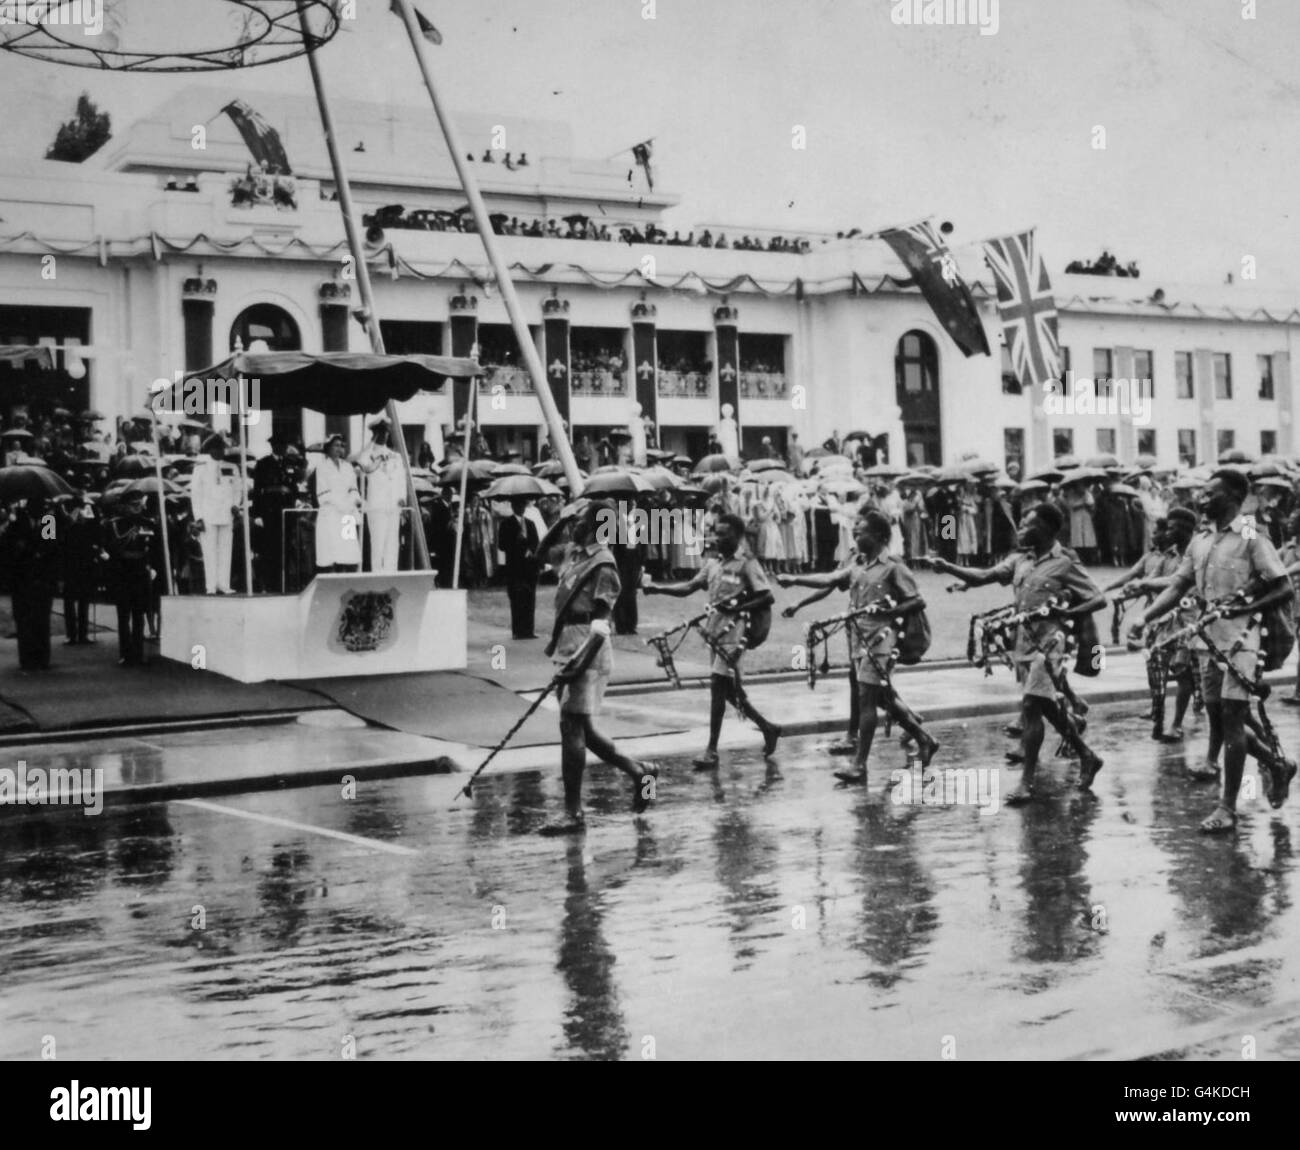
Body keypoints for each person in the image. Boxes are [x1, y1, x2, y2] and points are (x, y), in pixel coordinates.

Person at [1139, 470, 1297, 832]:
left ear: (1233, 497)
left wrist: (1243, 610)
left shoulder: (1250, 534)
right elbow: (1179, 584)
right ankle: (1277, 763)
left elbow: (1282, 587)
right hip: (1206, 642)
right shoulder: (1202, 538)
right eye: (1202, 494)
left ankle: (1227, 807)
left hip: (1242, 642)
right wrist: (1145, 618)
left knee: (1233, 717)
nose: (1202, 499)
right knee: (1222, 720)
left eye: (1210, 494)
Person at [923, 503, 1107, 804]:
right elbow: (984, 575)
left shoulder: (1065, 562)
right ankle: (1087, 755)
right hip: (1023, 643)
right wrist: (948, 567)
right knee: (1046, 707)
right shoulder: (1020, 560)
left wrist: (1068, 610)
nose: (1020, 529)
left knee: (1032, 705)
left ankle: (1026, 781)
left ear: (1046, 528)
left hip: (1051, 645)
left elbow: (1098, 599)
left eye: (1026, 524)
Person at [781, 510, 936, 786]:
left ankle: (860, 765)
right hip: (858, 641)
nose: (855, 534)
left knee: (867, 700)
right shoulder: (857, 565)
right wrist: (795, 580)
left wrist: (889, 610)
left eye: (860, 531)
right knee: (881, 699)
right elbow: (829, 580)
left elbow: (917, 601)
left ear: (878, 536)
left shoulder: (893, 566)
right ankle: (924, 739)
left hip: (881, 642)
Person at [541, 499, 658, 835]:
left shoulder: (604, 564)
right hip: (567, 645)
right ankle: (642, 773)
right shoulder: (575, 554)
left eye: (578, 518)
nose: (572, 523)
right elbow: (540, 553)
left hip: (588, 650)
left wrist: (577, 664)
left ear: (594, 524)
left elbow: (602, 624)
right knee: (585, 731)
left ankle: (573, 814)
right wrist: (559, 521)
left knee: (571, 729)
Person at [645, 513, 781, 768]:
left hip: (735, 636)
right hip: (714, 634)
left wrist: (738, 605)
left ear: (738, 536)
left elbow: (766, 597)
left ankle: (711, 750)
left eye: (724, 534)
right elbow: (689, 587)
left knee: (718, 689)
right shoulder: (712, 564)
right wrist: (657, 588)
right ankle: (767, 727)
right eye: (716, 533)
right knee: (728, 692)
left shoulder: (747, 563)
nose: (717, 538)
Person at [0, 497, 61, 671]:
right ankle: (27, 658)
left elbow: (51, 547)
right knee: (24, 619)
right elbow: (10, 549)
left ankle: (42, 658)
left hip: (42, 577)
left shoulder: (48, 521)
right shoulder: (18, 522)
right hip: (22, 578)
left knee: (41, 619)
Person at [103, 490, 157, 667]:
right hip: (123, 571)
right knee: (124, 615)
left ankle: (138, 653)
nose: (138, 508)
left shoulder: (147, 523)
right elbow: (112, 547)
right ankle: (126, 653)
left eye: (140, 504)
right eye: (134, 505)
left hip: (140, 570)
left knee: (139, 614)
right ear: (125, 506)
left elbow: (154, 547)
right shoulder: (115, 524)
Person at [354, 417, 408, 573]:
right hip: (376, 505)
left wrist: (402, 498)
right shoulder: (368, 454)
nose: (385, 434)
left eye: (386, 431)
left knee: (392, 542)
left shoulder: (395, 456)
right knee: (377, 542)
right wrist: (371, 442)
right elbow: (361, 462)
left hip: (393, 504)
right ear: (375, 433)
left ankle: (391, 572)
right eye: (381, 431)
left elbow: (401, 479)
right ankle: (377, 573)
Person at [189, 434, 236, 594]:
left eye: (223, 448)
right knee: (209, 551)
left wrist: (236, 505)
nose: (222, 451)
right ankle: (211, 586)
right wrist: (198, 517)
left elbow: (237, 489)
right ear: (211, 449)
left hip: (226, 514)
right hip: (207, 514)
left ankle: (224, 583)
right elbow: (195, 493)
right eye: (219, 448)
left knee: (225, 550)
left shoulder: (231, 467)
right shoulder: (201, 467)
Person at [311, 434, 363, 574]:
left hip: (347, 515)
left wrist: (352, 502)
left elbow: (353, 488)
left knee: (348, 552)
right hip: (331, 513)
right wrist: (341, 505)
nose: (339, 449)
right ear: (328, 448)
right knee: (331, 550)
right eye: (336, 445)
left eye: (342, 446)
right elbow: (324, 492)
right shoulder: (322, 467)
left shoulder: (347, 467)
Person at [251, 436, 296, 593]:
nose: (282, 448)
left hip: (286, 511)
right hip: (269, 511)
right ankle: (269, 583)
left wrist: (294, 504)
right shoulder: (263, 463)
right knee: (269, 549)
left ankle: (284, 582)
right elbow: (257, 490)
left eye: (284, 445)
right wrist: (257, 514)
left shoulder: (290, 463)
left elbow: (293, 487)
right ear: (273, 446)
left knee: (286, 547)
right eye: (278, 445)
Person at [498, 496, 539, 639]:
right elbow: (501, 545)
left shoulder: (530, 523)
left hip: (529, 566)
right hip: (514, 566)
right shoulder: (506, 524)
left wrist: (530, 549)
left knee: (529, 598)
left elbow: (536, 542)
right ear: (513, 507)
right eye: (518, 505)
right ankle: (517, 630)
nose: (521, 508)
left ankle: (529, 629)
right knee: (516, 598)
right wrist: (516, 540)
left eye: (523, 505)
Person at [61, 494, 100, 645]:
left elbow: (96, 532)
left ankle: (81, 634)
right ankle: (72, 634)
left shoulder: (89, 513)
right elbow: (52, 539)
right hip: (68, 562)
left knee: (83, 599)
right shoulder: (54, 515)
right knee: (70, 601)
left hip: (84, 561)